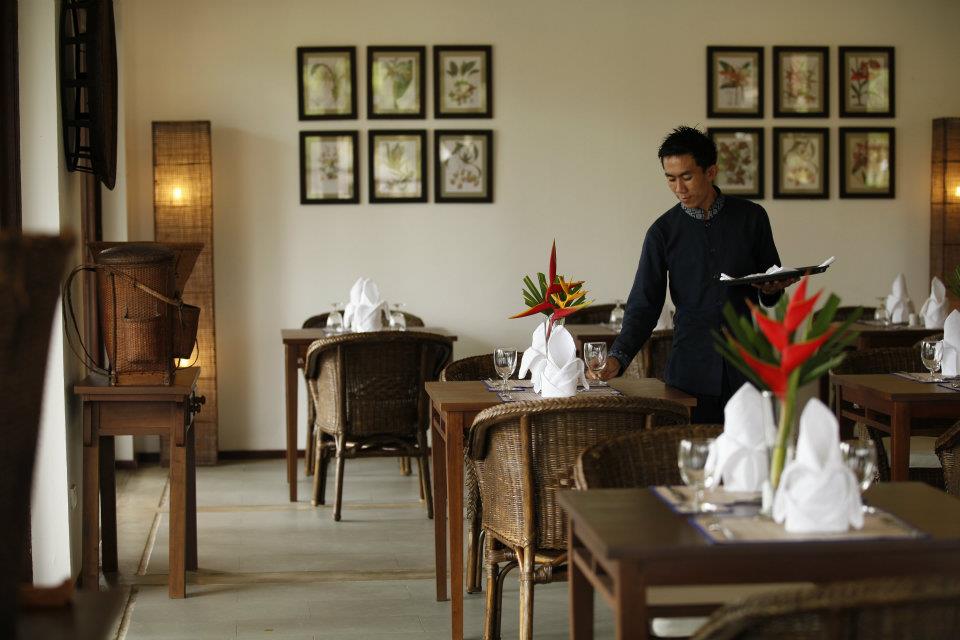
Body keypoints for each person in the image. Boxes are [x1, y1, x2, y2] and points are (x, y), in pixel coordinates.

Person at [589, 126, 794, 423]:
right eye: (670, 179)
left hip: (746, 368)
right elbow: (644, 303)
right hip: (689, 371)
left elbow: (771, 285)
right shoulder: (662, 232)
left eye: (686, 177)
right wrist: (618, 356)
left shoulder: (752, 218)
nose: (679, 188)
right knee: (692, 451)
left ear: (711, 172)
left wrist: (772, 289)